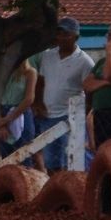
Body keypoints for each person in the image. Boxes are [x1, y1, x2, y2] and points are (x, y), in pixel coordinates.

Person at [31, 17, 95, 170]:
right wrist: (37, 103)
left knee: (71, 160)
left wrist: (85, 111)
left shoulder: (85, 61)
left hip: (69, 116)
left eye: (66, 34)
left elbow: (90, 89)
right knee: (50, 161)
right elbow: (40, 81)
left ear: (76, 37)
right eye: (59, 33)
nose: (61, 37)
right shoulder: (47, 56)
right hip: (47, 115)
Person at [0, 56, 37, 146]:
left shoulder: (30, 72)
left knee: (25, 153)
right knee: (6, 154)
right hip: (3, 112)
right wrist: (1, 123)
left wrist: (7, 119)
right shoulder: (4, 72)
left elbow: (29, 99)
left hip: (21, 113)